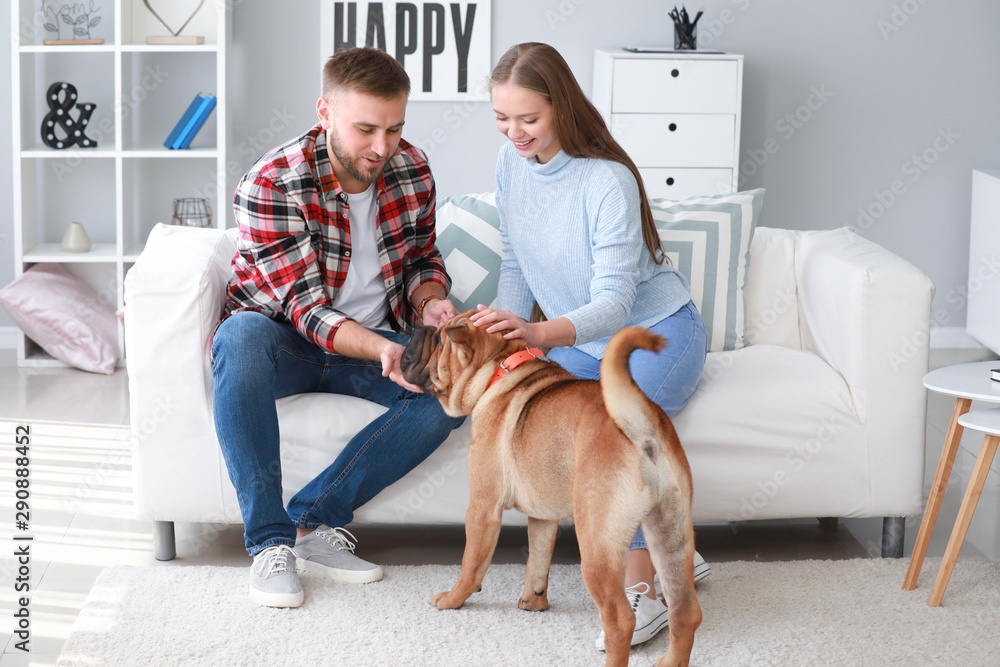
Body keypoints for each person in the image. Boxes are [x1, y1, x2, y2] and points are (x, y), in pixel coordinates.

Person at [471, 42, 711, 651]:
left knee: (619, 439)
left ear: (562, 106)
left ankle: (645, 594)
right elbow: (516, 261)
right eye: (502, 118)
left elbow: (612, 303)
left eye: (529, 118)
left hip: (656, 334)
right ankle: (681, 555)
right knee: (538, 417)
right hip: (577, 340)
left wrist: (538, 333)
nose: (514, 132)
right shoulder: (509, 164)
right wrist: (506, 324)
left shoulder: (607, 180)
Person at [212, 47, 463, 609]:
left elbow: (424, 257)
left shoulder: (411, 167)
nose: (382, 148)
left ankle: (313, 522)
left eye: (394, 129)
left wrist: (431, 301)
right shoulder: (274, 182)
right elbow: (307, 311)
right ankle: (270, 543)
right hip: (287, 345)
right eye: (366, 129)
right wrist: (383, 350)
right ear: (324, 112)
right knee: (239, 337)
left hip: (373, 344)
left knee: (455, 388)